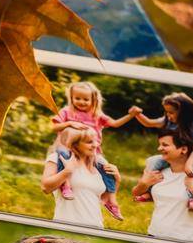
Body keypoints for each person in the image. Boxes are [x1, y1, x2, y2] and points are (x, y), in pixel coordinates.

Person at [49, 80, 133, 221]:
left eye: (86, 99)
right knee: (62, 157)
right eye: (77, 98)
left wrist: (131, 115)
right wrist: (69, 123)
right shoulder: (67, 112)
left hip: (92, 153)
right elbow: (54, 127)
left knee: (107, 168)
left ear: (93, 100)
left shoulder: (96, 115)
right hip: (69, 148)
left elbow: (115, 123)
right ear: (71, 98)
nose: (81, 102)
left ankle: (111, 201)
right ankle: (66, 185)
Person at [130, 92, 193, 206]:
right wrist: (137, 115)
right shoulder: (167, 121)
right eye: (166, 112)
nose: (168, 115)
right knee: (152, 161)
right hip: (177, 156)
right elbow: (149, 123)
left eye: (171, 112)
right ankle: (149, 191)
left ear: (184, 113)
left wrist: (189, 164)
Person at [145, 131, 193, 243]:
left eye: (165, 145)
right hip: (154, 237)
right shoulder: (158, 174)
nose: (159, 148)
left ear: (184, 149)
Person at [42, 127, 106, 230]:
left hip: (96, 228)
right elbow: (46, 187)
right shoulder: (58, 159)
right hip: (67, 227)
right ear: (75, 144)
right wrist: (67, 171)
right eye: (89, 142)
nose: (95, 145)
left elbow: (102, 199)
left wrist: (117, 179)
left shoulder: (97, 165)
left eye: (96, 141)